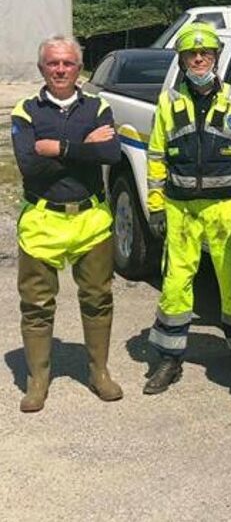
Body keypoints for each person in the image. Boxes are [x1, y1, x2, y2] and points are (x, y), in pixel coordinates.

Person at [142, 22, 231, 394]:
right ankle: (169, 359)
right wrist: (157, 206)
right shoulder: (168, 102)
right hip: (179, 208)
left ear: (216, 58)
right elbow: (156, 155)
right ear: (180, 60)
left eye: (205, 54)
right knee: (176, 285)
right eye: (191, 54)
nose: (198, 59)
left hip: (227, 207)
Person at [11, 35, 123, 412]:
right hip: (43, 218)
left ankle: (99, 373)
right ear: (42, 67)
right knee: (37, 304)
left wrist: (56, 146)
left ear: (80, 67)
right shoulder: (26, 110)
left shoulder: (98, 105)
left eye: (68, 63)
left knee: (97, 297)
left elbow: (110, 152)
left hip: (91, 218)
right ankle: (38, 380)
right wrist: (83, 144)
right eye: (53, 63)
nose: (60, 69)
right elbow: (29, 164)